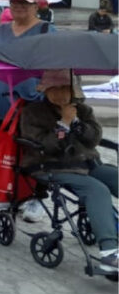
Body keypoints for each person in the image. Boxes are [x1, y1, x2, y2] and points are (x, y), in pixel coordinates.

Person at [19, 69, 118, 271]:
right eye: (54, 88)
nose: (60, 93)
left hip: (87, 164)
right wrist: (63, 124)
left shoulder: (83, 110)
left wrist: (75, 122)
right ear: (44, 89)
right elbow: (45, 146)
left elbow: (94, 138)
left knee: (114, 177)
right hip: (50, 166)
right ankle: (109, 253)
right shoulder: (33, 112)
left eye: (65, 88)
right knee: (96, 190)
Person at [0, 0, 56, 220]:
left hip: (34, 104)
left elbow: (58, 66)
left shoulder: (47, 31)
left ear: (36, 6)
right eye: (14, 4)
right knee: (8, 151)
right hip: (3, 103)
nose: (18, 7)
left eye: (24, 4)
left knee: (34, 151)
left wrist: (45, 86)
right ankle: (8, 193)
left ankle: (36, 196)